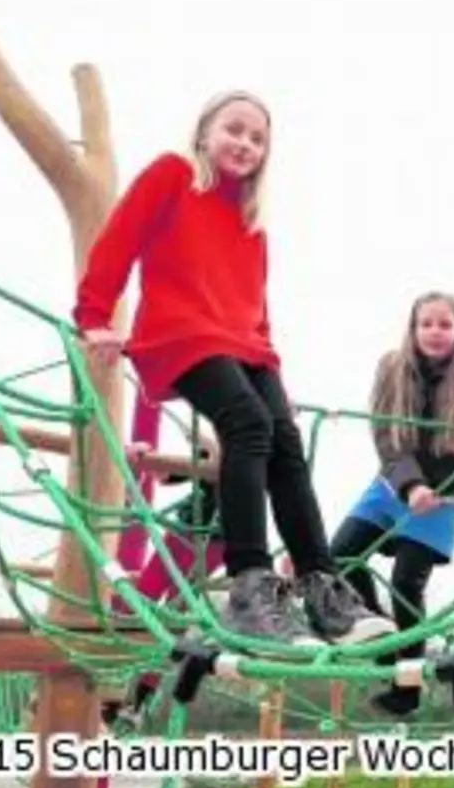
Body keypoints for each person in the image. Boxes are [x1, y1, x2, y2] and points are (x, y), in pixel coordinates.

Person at [72, 89, 394, 649]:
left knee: (284, 441)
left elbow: (255, 307)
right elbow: (119, 238)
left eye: (257, 138)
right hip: (179, 333)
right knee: (246, 424)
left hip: (242, 346)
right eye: (234, 129)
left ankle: (323, 587)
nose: (244, 143)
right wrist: (93, 315)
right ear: (204, 133)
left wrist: (274, 374)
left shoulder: (251, 219)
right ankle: (250, 586)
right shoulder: (174, 174)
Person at [329, 291, 454, 716]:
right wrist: (410, 486)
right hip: (392, 483)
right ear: (413, 328)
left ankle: (407, 686)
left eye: (446, 325)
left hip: (445, 493)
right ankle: (383, 640)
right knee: (339, 559)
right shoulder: (391, 368)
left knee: (406, 584)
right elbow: (385, 436)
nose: (436, 333)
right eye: (427, 324)